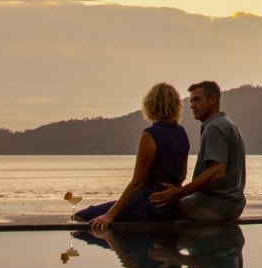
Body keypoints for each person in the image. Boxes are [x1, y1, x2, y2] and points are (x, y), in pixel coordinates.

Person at [77, 83, 190, 230]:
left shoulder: (150, 135)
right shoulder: (182, 133)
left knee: (82, 216)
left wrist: (110, 215)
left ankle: (118, 244)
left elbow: (137, 182)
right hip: (170, 208)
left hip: (149, 206)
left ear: (150, 105)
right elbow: (182, 175)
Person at [152, 81, 246, 221]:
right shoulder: (228, 124)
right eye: (191, 101)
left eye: (197, 100)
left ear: (212, 100)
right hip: (231, 206)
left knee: (154, 208)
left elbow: (217, 171)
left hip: (215, 206)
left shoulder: (214, 127)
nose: (192, 105)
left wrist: (178, 192)